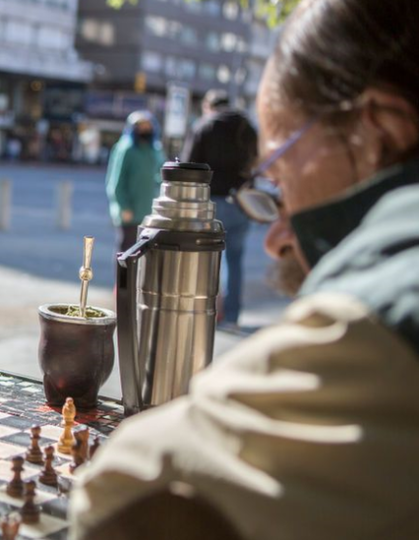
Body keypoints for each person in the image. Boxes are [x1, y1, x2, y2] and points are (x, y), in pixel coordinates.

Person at [72, 0, 419, 538]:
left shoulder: (382, 316)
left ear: (381, 134)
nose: (277, 237)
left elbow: (121, 495)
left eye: (278, 176)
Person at [182, 89, 258, 328]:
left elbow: (188, 165)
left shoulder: (205, 126)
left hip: (211, 202)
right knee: (235, 260)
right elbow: (258, 161)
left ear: (208, 106)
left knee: (208, 259)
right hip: (242, 201)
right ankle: (232, 316)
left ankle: (208, 312)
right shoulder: (247, 127)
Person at [105, 111, 166, 255]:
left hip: (150, 212)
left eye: (147, 126)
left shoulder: (155, 149)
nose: (145, 129)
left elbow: (161, 175)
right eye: (141, 126)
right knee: (126, 252)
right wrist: (123, 206)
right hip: (130, 214)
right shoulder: (125, 149)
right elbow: (115, 182)